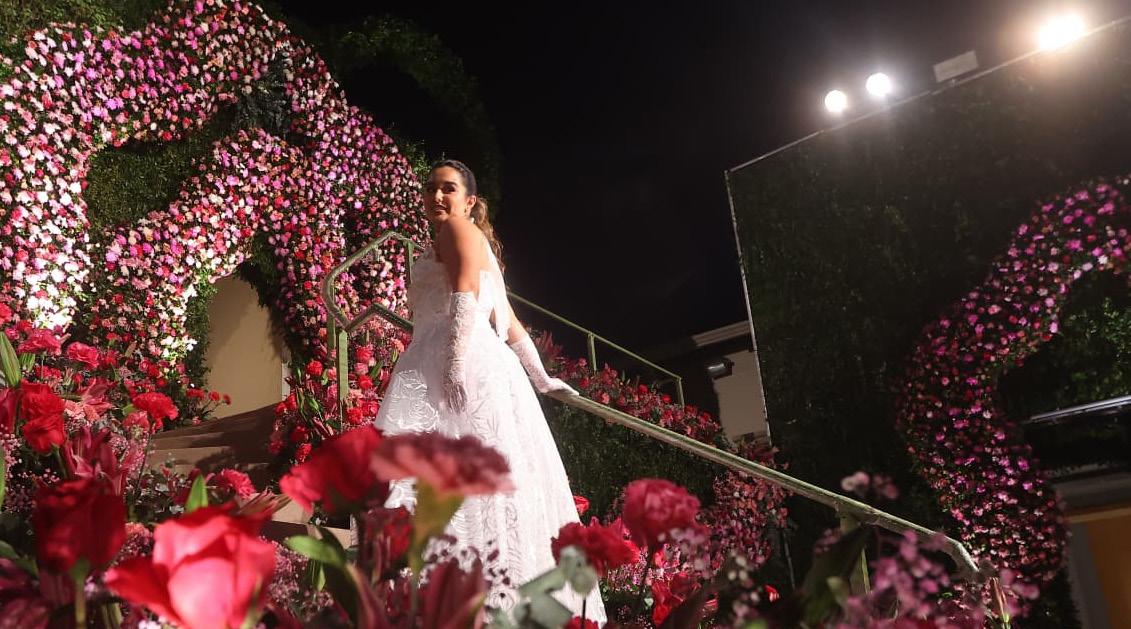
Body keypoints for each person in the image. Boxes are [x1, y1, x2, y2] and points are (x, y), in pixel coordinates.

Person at [375, 159, 606, 620]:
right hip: (475, 360)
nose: (437, 196)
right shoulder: (469, 239)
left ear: (469, 200)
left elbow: (465, 295)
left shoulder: (456, 229)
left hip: (458, 362)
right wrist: (540, 378)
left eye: (448, 188)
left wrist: (454, 366)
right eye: (431, 188)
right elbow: (510, 321)